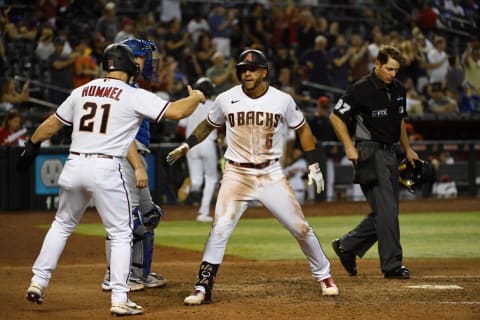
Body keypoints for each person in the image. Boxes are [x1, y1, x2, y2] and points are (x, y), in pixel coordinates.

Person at [22, 43, 205, 316]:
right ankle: (120, 297)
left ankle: (38, 281)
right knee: (121, 233)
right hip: (107, 166)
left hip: (73, 165)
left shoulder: (82, 90)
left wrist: (32, 143)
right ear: (130, 67)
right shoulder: (131, 93)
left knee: (61, 225)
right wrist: (198, 98)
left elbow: (53, 123)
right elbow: (177, 112)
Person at [166, 48, 339, 306]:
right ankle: (203, 285)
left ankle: (325, 276)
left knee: (300, 228)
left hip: (270, 173)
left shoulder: (282, 100)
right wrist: (188, 144)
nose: (246, 73)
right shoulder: (226, 98)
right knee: (220, 229)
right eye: (242, 70)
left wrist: (313, 164)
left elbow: (303, 129)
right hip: (236, 174)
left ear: (264, 72)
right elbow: (208, 125)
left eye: (252, 69)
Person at [329, 45, 419, 280]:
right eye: (389, 68)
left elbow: (399, 119)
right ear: (377, 64)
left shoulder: (399, 88)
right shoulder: (360, 89)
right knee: (387, 210)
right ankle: (392, 265)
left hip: (391, 152)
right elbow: (335, 117)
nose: (393, 74)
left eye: (396, 69)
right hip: (369, 152)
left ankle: (347, 246)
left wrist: (408, 149)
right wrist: (349, 146)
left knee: (386, 211)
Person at [100, 38, 168, 293]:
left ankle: (139, 274)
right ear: (132, 59)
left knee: (146, 217)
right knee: (126, 220)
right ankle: (114, 275)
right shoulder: (123, 89)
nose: (150, 63)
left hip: (134, 156)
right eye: (145, 58)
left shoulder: (130, 87)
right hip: (125, 157)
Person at [176, 77, 219, 223]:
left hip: (190, 144)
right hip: (207, 143)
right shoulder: (214, 105)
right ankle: (203, 212)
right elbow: (221, 127)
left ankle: (191, 187)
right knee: (211, 179)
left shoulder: (191, 104)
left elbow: (180, 128)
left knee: (197, 179)